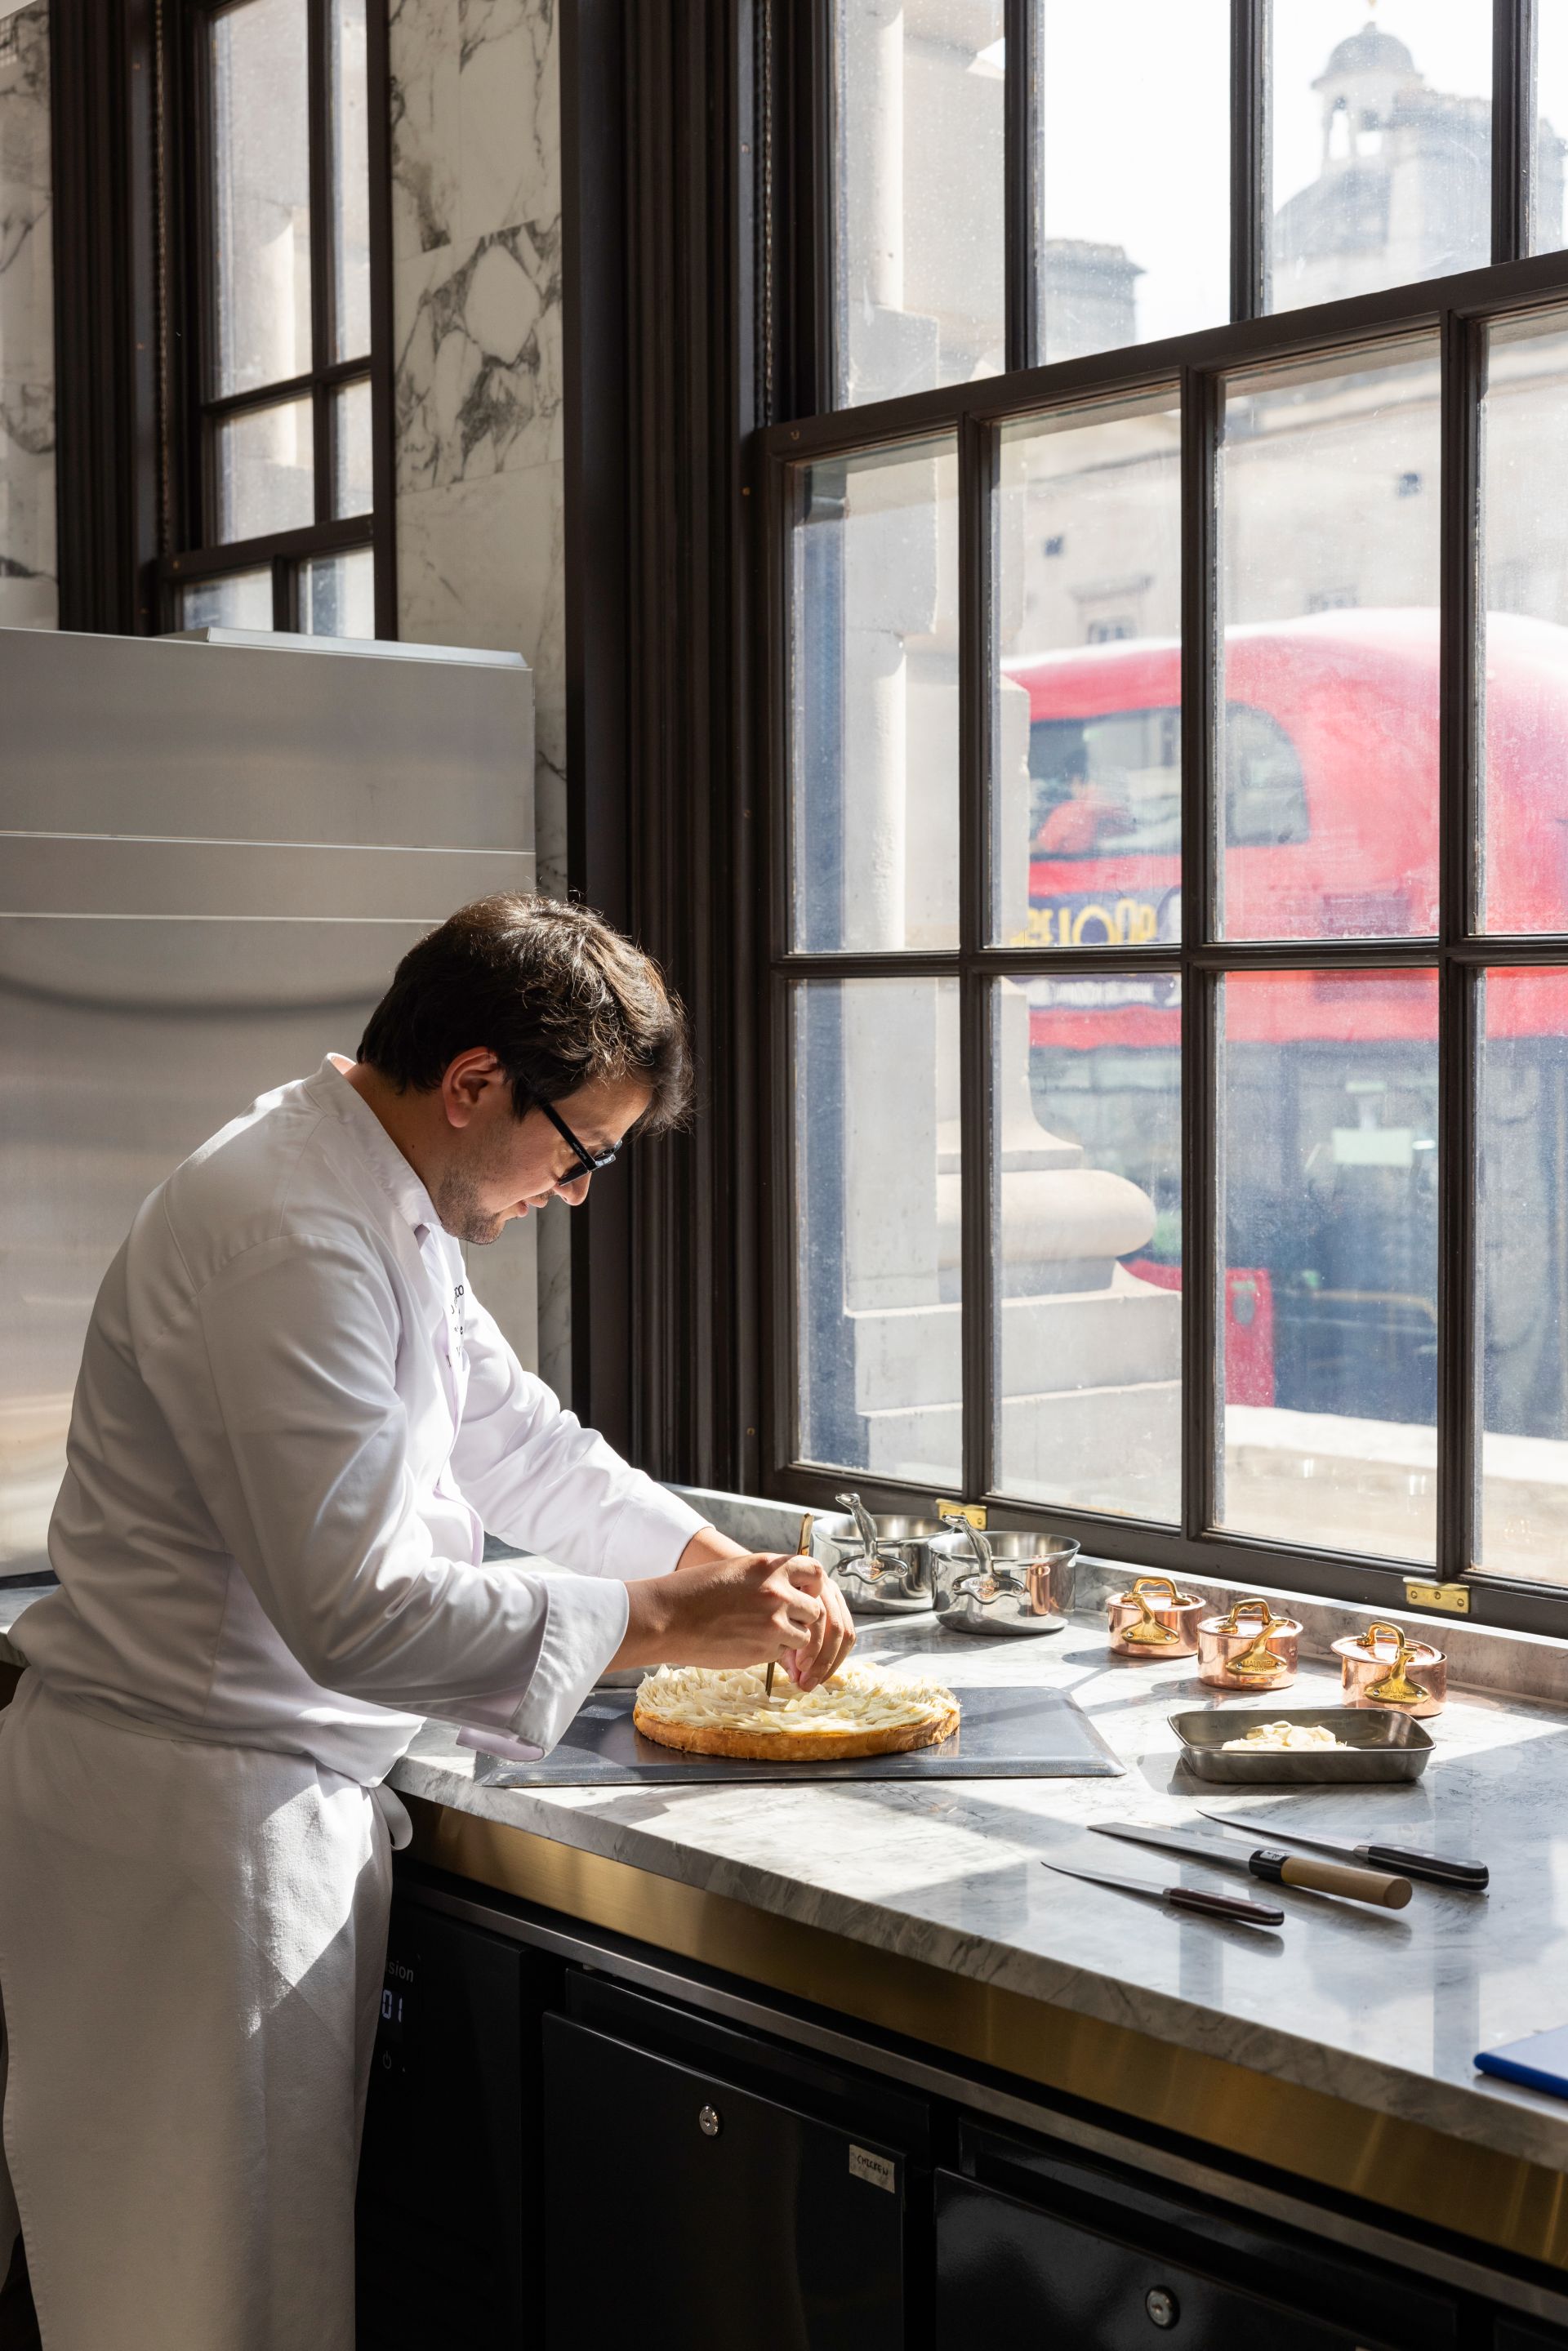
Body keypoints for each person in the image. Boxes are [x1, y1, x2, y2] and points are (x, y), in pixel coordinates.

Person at [0, 893, 853, 2351]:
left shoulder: (371, 1185)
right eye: (580, 1152)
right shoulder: (290, 1233)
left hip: (236, 1802)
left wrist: (727, 1564)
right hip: (194, 1840)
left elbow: (513, 1440)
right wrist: (667, 1619)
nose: (576, 1192)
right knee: (208, 2318)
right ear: (473, 1082)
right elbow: (360, 1614)